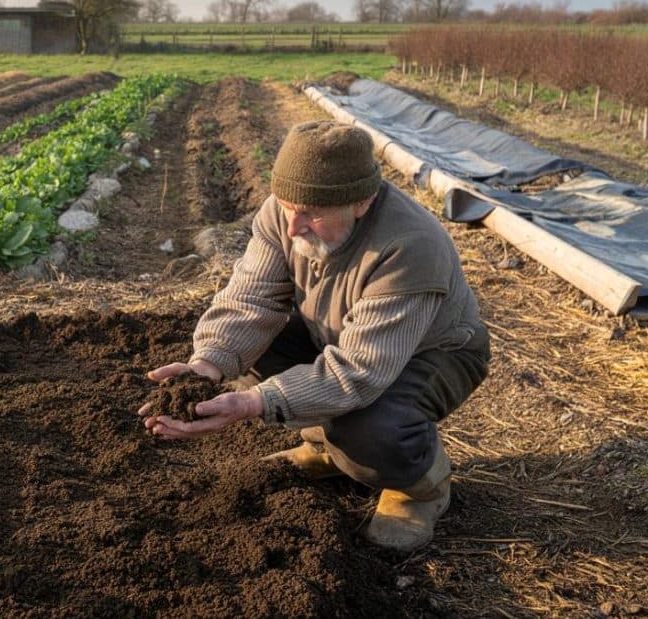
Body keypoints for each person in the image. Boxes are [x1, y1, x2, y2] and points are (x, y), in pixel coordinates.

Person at [139, 120, 490, 551]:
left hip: (433, 353)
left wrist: (256, 402)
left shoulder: (410, 246)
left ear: (361, 201)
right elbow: (253, 300)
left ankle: (420, 483)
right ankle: (330, 447)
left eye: (312, 213)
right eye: (288, 206)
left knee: (373, 430)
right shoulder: (283, 214)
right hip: (340, 337)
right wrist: (206, 365)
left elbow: (361, 370)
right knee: (256, 350)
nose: (293, 226)